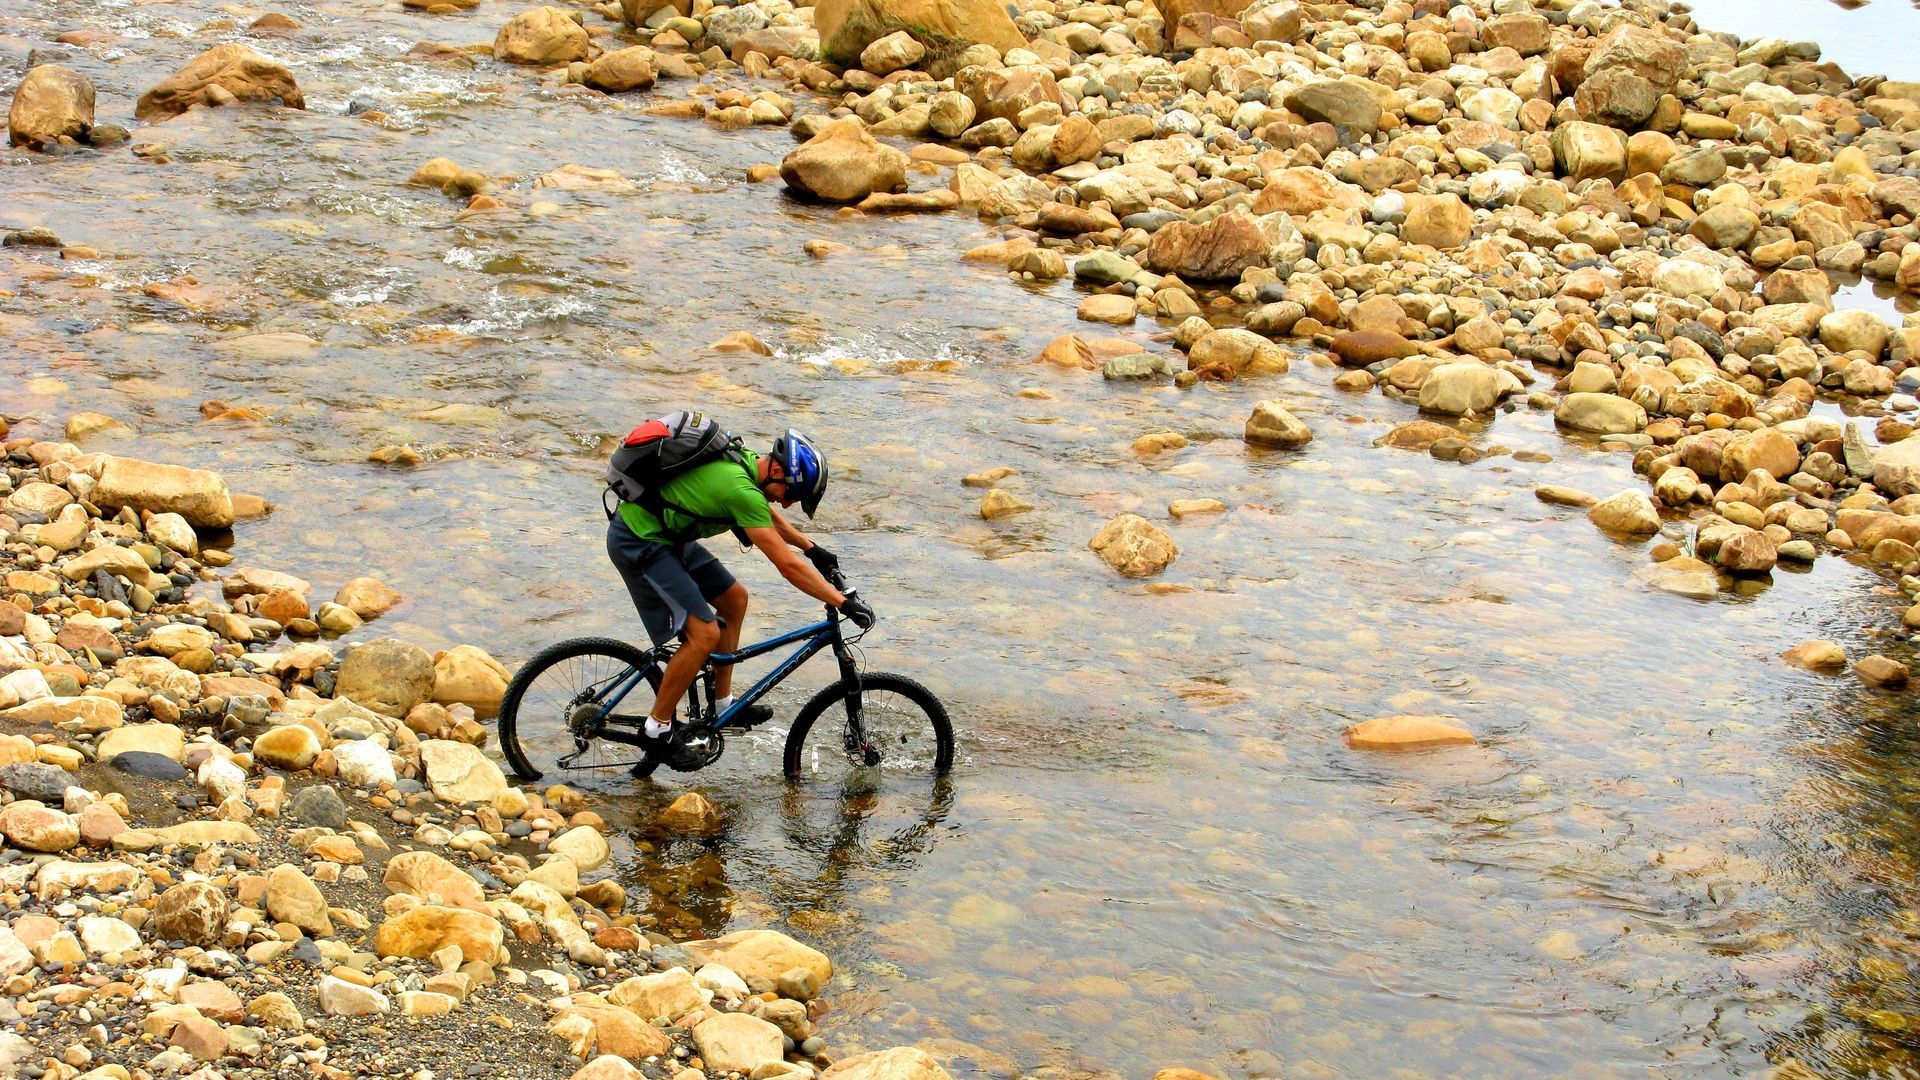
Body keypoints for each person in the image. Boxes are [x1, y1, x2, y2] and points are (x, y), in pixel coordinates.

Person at [605, 427, 874, 751]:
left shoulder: (747, 464)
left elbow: (763, 513)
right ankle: (657, 728)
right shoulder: (739, 488)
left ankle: (723, 705)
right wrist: (841, 602)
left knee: (735, 599)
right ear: (776, 469)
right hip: (640, 541)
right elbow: (786, 565)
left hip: (668, 537)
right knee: (704, 634)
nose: (787, 503)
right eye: (790, 493)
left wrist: (811, 547)